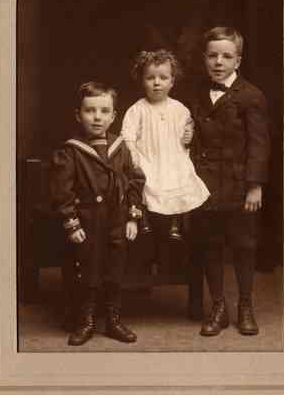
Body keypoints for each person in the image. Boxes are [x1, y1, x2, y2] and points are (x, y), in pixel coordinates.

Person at [49, 81, 145, 346]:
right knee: (87, 271)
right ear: (78, 115)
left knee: (115, 271)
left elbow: (135, 181)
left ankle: (113, 321)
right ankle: (86, 321)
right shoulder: (71, 150)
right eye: (90, 110)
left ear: (114, 116)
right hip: (88, 220)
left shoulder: (120, 147)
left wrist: (133, 216)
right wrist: (71, 222)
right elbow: (61, 191)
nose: (97, 117)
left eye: (104, 111)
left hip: (117, 219)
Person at [189, 27, 271, 336]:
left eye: (226, 56)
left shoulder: (251, 96)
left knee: (243, 246)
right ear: (204, 59)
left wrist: (255, 185)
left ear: (238, 60)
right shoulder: (197, 93)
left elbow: (259, 144)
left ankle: (245, 306)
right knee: (210, 245)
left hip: (239, 186)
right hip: (205, 185)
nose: (218, 62)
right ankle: (218, 307)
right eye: (212, 56)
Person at [121, 49, 209, 241]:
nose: (157, 82)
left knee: (180, 177)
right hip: (148, 156)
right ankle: (143, 218)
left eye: (163, 77)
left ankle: (175, 222)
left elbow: (188, 130)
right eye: (150, 78)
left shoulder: (179, 109)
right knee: (145, 179)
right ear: (142, 80)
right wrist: (132, 151)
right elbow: (128, 135)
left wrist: (189, 135)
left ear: (172, 81)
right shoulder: (137, 109)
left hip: (172, 157)